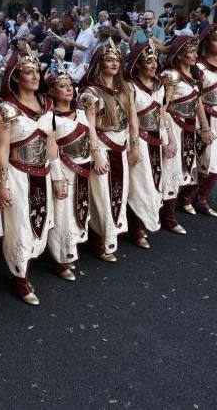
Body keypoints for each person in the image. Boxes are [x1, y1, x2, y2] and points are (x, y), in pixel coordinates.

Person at [0, 45, 59, 304]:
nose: (34, 77)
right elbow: (0, 151)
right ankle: (20, 277)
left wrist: (57, 177)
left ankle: (27, 265)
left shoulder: (47, 103)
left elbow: (52, 142)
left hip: (42, 173)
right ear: (16, 77)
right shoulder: (6, 109)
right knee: (19, 228)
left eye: (36, 72)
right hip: (18, 174)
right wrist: (3, 185)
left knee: (39, 223)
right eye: (28, 73)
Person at [78, 39, 140, 260]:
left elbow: (133, 119)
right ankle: (99, 240)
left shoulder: (126, 88)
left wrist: (135, 147)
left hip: (120, 148)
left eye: (117, 59)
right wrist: (96, 154)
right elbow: (89, 125)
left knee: (118, 195)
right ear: (99, 63)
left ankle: (110, 237)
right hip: (102, 148)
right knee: (101, 198)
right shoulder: (90, 92)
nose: (114, 63)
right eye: (109, 59)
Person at [45, 53, 93, 278]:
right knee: (62, 214)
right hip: (65, 171)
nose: (68, 89)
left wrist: (98, 156)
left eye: (70, 86)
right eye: (62, 86)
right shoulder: (51, 118)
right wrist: (57, 177)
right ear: (52, 92)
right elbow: (52, 150)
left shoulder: (82, 113)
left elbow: (92, 138)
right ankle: (60, 258)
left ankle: (71, 251)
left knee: (77, 211)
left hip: (84, 170)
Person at [159, 35, 212, 234]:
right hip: (174, 125)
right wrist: (169, 137)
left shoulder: (194, 73)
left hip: (190, 126)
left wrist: (205, 127)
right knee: (171, 171)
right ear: (180, 54)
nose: (195, 55)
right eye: (190, 51)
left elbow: (198, 101)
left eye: (195, 51)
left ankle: (171, 210)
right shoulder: (171, 76)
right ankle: (168, 217)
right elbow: (162, 108)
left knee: (185, 169)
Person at [125, 42, 175, 248]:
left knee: (156, 182)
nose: (154, 65)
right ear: (138, 64)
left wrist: (171, 139)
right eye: (148, 61)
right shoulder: (131, 87)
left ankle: (146, 222)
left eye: (155, 60)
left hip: (158, 138)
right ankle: (135, 229)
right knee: (140, 185)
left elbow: (163, 114)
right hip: (140, 140)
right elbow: (131, 119)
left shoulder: (160, 84)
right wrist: (135, 146)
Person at [187, 24, 217, 216]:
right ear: (206, 42)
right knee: (204, 161)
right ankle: (184, 197)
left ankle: (201, 198)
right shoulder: (198, 67)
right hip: (204, 119)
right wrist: (204, 126)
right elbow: (195, 97)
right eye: (216, 39)